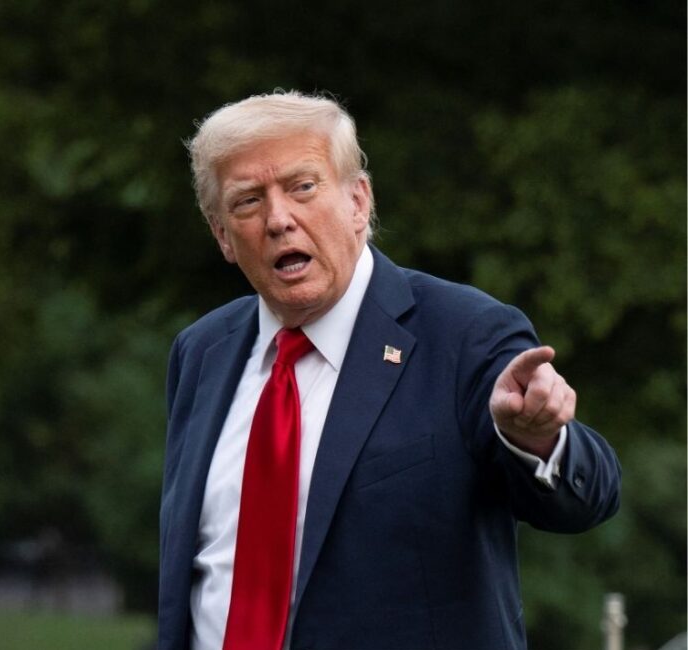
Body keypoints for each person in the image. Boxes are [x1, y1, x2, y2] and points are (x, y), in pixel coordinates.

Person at [158, 90, 621, 650]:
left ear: (358, 201)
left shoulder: (463, 332)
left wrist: (540, 440)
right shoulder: (201, 352)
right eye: (249, 201)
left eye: (303, 187)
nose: (279, 219)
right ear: (223, 235)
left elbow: (587, 498)